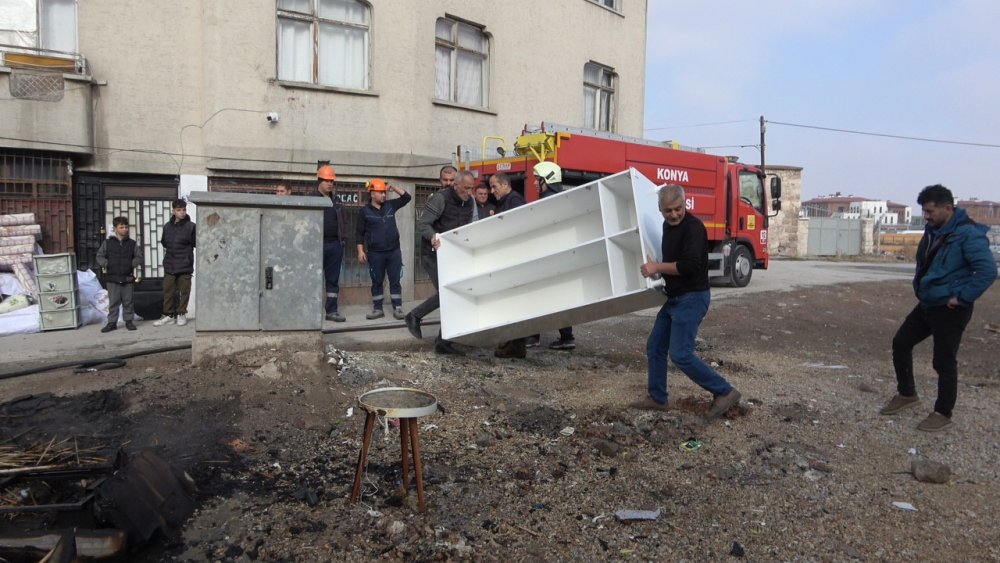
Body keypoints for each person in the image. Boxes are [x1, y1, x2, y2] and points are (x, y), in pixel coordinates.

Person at [879, 184, 997, 432]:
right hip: (928, 303)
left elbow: (987, 271)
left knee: (943, 361)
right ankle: (907, 394)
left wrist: (962, 297)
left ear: (948, 208)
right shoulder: (933, 230)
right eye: (924, 211)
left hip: (951, 308)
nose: (927, 215)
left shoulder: (968, 234)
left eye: (931, 211)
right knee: (901, 342)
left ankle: (943, 412)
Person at [631, 184, 741, 419]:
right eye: (668, 210)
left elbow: (690, 266)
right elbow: (674, 263)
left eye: (678, 209)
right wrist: (658, 272)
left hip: (693, 297)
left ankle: (725, 391)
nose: (673, 214)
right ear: (660, 209)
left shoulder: (694, 228)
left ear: (685, 203)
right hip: (675, 298)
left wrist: (657, 267)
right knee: (655, 346)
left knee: (681, 354)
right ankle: (658, 398)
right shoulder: (666, 226)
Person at [405, 167, 475, 355]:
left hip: (451, 255)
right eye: (466, 188)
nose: (469, 193)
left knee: (454, 294)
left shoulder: (469, 202)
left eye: (472, 188)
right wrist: (433, 237)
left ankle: (444, 341)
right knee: (447, 294)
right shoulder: (440, 198)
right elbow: (423, 224)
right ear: (456, 185)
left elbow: (467, 227)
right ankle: (414, 316)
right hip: (431, 253)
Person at [531, 161, 575, 350]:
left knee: (539, 297)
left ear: (547, 180)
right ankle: (566, 336)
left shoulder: (545, 202)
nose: (534, 183)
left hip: (547, 258)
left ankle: (533, 336)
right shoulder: (564, 199)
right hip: (561, 258)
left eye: (537, 179)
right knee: (560, 298)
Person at [356, 178, 411, 321]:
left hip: (393, 251)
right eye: (380, 193)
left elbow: (407, 198)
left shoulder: (391, 206)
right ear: (372, 194)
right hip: (375, 253)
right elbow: (359, 233)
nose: (384, 195)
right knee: (377, 280)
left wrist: (394, 188)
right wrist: (360, 251)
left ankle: (397, 308)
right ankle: (377, 308)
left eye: (384, 193)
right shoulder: (364, 211)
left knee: (395, 280)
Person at [488, 173, 528, 358]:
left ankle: (515, 346)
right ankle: (512, 345)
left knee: (515, 305)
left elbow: (517, 228)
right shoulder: (506, 201)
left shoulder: (515, 201)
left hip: (514, 259)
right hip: (509, 259)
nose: (491, 190)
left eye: (494, 186)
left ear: (505, 185)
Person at [312, 164, 347, 322]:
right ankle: (311, 312)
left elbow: (343, 222)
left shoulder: (337, 200)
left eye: (332, 181)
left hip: (334, 245)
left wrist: (342, 241)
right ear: (319, 181)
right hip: (315, 246)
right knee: (313, 278)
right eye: (326, 180)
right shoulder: (311, 199)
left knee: (332, 280)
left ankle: (331, 311)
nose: (330, 183)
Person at [153, 199, 197, 327]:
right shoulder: (167, 226)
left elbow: (195, 244)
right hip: (170, 263)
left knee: (184, 291)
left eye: (184, 210)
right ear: (173, 211)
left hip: (185, 264)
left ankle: (181, 313)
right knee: (168, 291)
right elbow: (164, 242)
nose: (182, 213)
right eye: (179, 210)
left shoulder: (191, 226)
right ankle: (168, 315)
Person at [96, 216, 143, 332]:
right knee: (113, 302)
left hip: (127, 277)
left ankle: (129, 321)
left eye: (126, 227)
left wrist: (131, 264)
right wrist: (107, 264)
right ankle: (112, 323)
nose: (124, 229)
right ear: (115, 229)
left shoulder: (132, 244)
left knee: (128, 301)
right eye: (121, 227)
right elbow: (99, 256)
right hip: (113, 277)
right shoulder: (108, 243)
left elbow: (139, 257)